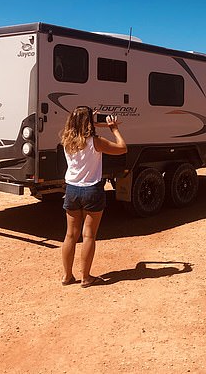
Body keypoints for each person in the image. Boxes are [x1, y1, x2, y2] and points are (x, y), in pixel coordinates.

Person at [60, 106, 127, 288]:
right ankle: (86, 277)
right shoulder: (96, 142)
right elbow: (122, 148)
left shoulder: (67, 141)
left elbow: (80, 126)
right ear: (89, 122)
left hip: (72, 190)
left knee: (70, 235)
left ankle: (67, 276)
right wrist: (113, 129)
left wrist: (89, 119)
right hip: (92, 190)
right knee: (88, 235)